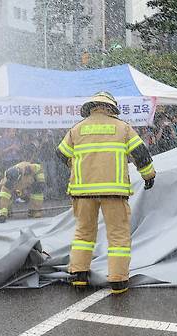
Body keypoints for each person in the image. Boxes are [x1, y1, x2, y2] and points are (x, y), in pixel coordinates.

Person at [57, 92, 156, 295]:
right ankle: (118, 281)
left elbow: (60, 154)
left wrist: (75, 165)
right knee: (118, 236)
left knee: (83, 233)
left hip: (83, 192)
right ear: (111, 108)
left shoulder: (77, 129)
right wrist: (148, 176)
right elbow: (141, 155)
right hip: (114, 191)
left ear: (91, 107)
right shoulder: (122, 128)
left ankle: (79, 276)